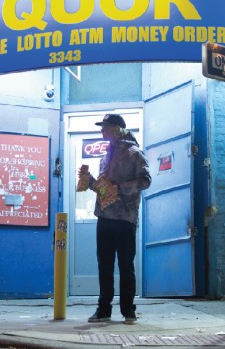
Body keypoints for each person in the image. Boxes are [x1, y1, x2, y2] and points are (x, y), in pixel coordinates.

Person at [79, 113, 152, 324]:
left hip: (125, 217)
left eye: (105, 127)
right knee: (104, 266)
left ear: (117, 130)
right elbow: (104, 189)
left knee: (126, 266)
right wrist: (89, 182)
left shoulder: (134, 153)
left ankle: (128, 310)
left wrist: (119, 188)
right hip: (104, 216)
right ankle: (103, 309)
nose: (102, 130)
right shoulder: (105, 156)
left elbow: (145, 181)